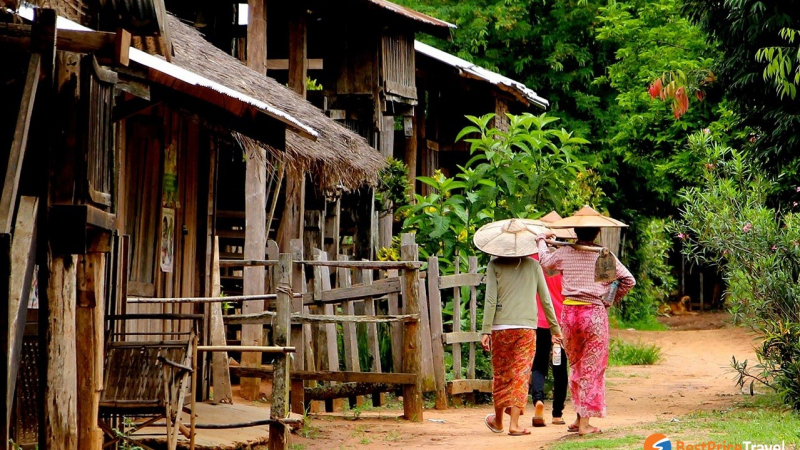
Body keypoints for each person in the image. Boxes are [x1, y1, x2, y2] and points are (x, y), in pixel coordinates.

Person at [536, 207, 635, 436]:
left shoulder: (566, 252)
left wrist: (542, 239)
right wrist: (610, 300)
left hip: (569, 315)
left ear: (575, 231)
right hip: (594, 316)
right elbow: (628, 280)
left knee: (577, 366)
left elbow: (544, 261)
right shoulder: (604, 255)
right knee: (592, 368)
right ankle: (584, 425)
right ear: (598, 231)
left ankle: (579, 418)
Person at [473, 219, 563, 437]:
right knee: (521, 373)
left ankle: (498, 420)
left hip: (501, 327)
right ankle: (514, 425)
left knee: (501, 373)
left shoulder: (494, 264)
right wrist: (555, 329)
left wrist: (485, 330)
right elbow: (546, 300)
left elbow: (491, 300)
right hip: (526, 327)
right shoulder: (534, 266)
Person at [529, 252, 568, 427]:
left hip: (538, 319)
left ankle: (538, 400)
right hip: (560, 321)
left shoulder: (533, 258)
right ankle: (557, 414)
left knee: (539, 364)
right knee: (560, 366)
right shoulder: (565, 258)